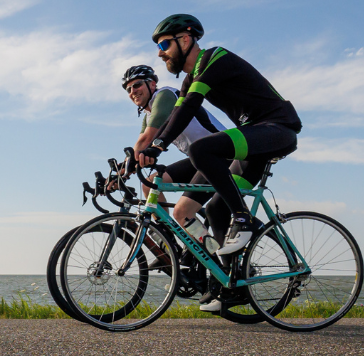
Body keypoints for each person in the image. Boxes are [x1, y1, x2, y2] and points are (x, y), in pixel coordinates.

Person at [138, 14, 302, 258]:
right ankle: (230, 288)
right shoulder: (190, 79)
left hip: (277, 129)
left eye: (164, 45)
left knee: (200, 150)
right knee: (215, 209)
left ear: (184, 40)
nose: (160, 54)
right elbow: (176, 116)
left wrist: (158, 145)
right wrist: (148, 150)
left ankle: (243, 217)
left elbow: (190, 106)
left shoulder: (215, 58)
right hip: (253, 142)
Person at [115, 65, 225, 228]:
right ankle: (166, 238)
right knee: (149, 184)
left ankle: (204, 250)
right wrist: (119, 171)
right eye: (128, 89)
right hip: (200, 160)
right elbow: (138, 148)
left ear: (152, 84)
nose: (133, 91)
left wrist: (122, 172)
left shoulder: (165, 95)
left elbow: (146, 140)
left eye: (137, 85)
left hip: (223, 156)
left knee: (183, 212)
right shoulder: (149, 113)